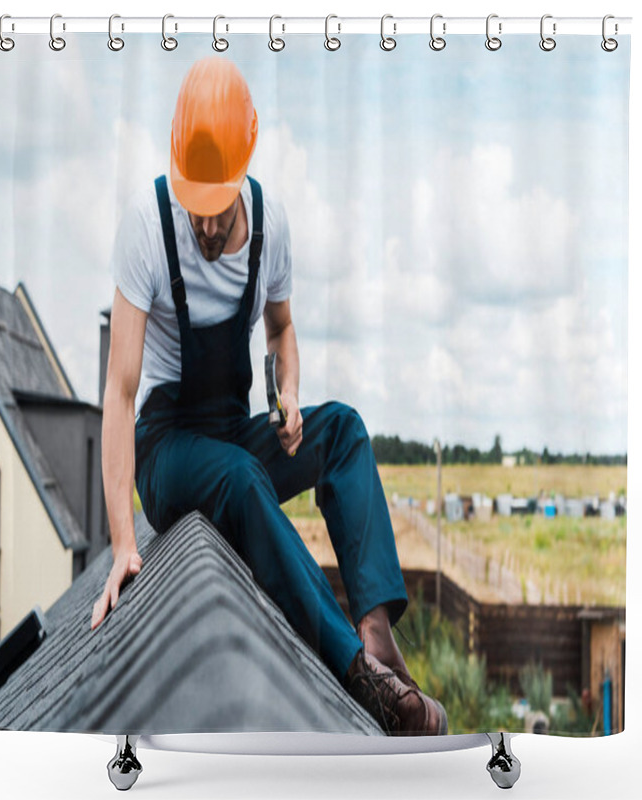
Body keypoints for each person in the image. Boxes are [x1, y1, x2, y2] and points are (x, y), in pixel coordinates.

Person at [89, 57, 446, 737]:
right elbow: (119, 388)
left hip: (229, 431)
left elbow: (282, 331)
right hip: (168, 450)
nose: (203, 228)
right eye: (193, 210)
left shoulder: (272, 228)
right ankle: (357, 674)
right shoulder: (147, 227)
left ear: (242, 176)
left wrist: (288, 397)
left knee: (340, 430)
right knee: (239, 475)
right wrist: (120, 540)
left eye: (216, 213)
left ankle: (373, 629)